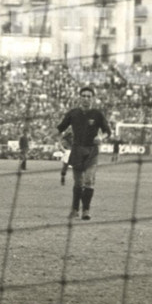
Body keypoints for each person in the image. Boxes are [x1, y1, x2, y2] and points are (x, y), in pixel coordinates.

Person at [56, 86, 111, 221]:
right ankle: (75, 210)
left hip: (92, 151)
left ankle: (86, 210)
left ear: (92, 98)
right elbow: (60, 128)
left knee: (89, 180)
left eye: (89, 96)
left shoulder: (97, 114)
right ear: (79, 97)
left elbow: (107, 131)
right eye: (84, 96)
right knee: (78, 182)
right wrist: (57, 141)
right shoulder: (73, 113)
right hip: (77, 150)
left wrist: (101, 138)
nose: (86, 98)